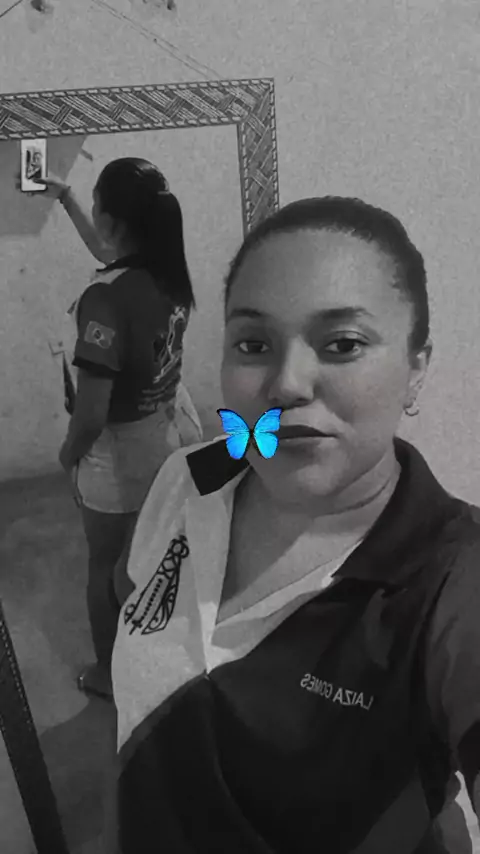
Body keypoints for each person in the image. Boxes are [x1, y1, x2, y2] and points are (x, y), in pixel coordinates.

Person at [110, 196, 480, 852]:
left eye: (343, 344)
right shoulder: (189, 476)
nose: (286, 384)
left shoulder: (452, 576)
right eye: (254, 344)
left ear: (416, 368)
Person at [20, 158, 203, 701]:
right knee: (154, 554)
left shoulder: (103, 301)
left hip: (118, 455)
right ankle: (163, 648)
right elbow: (108, 254)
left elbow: (92, 413)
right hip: (169, 433)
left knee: (105, 568)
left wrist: (68, 455)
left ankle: (109, 672)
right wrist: (66, 197)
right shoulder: (165, 273)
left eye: (96, 204)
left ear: (114, 220)